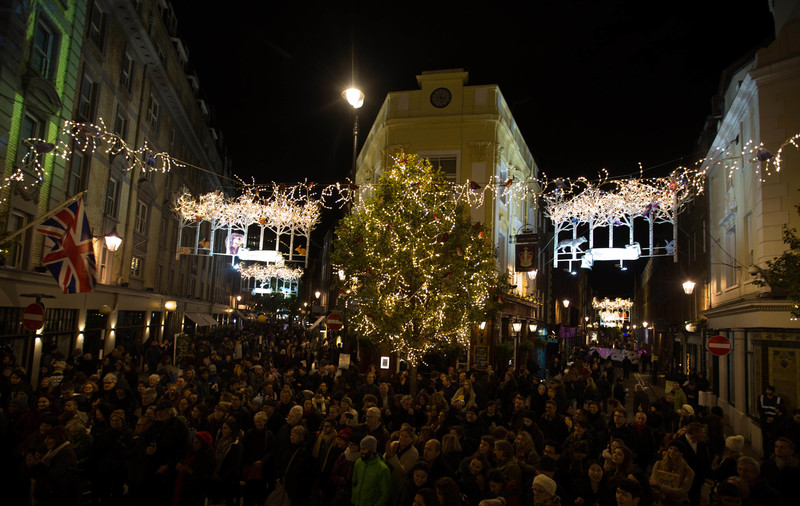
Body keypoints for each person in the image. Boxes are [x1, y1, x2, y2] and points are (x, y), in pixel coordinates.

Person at [649, 442, 694, 506]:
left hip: (677, 502)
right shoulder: (658, 464)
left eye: (676, 450)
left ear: (680, 453)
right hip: (659, 501)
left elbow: (682, 491)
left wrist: (660, 485)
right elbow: (652, 483)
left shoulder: (688, 471)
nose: (672, 451)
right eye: (670, 448)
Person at [352, 435, 392, 506]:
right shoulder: (358, 462)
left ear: (372, 450)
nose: (361, 451)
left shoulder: (382, 469)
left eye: (364, 449)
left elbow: (385, 493)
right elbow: (355, 482)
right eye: (361, 448)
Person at [758, 385, 786, 459]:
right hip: (765, 422)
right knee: (765, 439)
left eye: (769, 390)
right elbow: (760, 410)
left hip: (774, 424)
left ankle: (773, 455)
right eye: (767, 390)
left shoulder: (778, 400)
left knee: (773, 439)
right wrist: (766, 419)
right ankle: (766, 455)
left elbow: (782, 411)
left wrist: (773, 419)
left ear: (773, 391)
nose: (767, 391)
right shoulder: (761, 398)